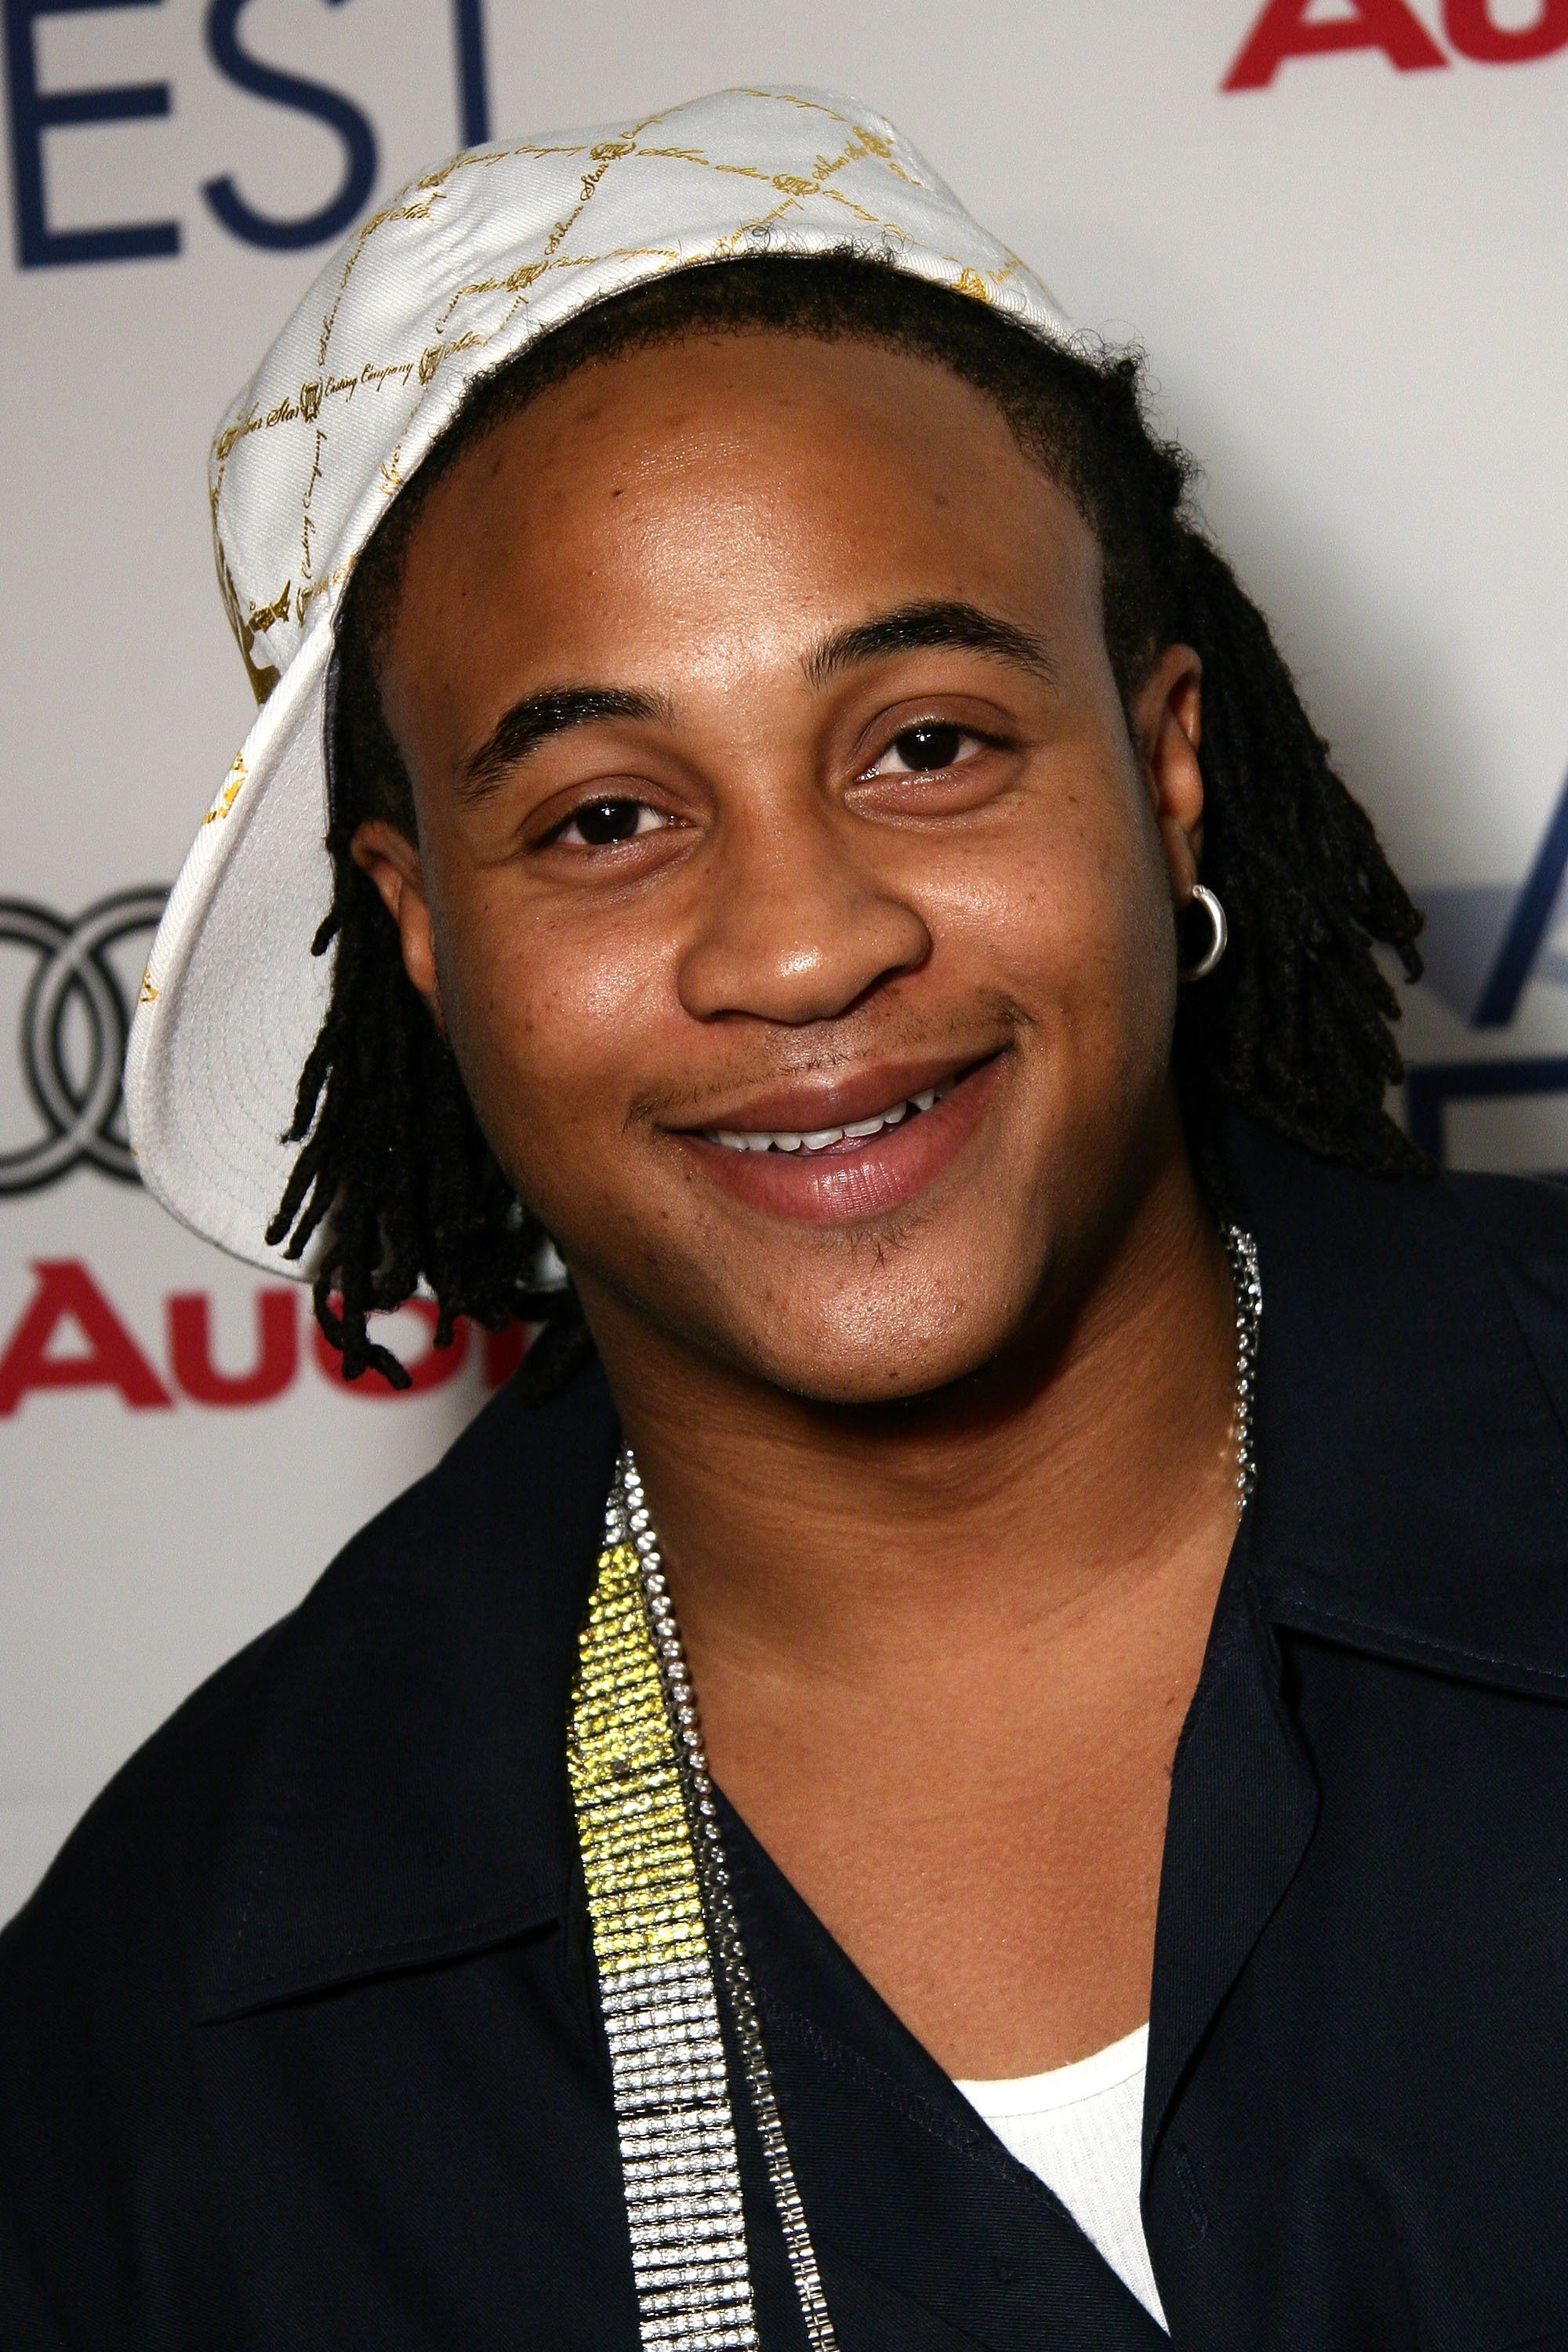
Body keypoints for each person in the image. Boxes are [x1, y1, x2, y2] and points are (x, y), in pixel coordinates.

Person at [4, 82, 1567, 2351]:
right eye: (609, 813)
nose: (804, 944)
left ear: (1164, 770)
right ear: (422, 932)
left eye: (924, 742)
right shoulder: (163, 2029)